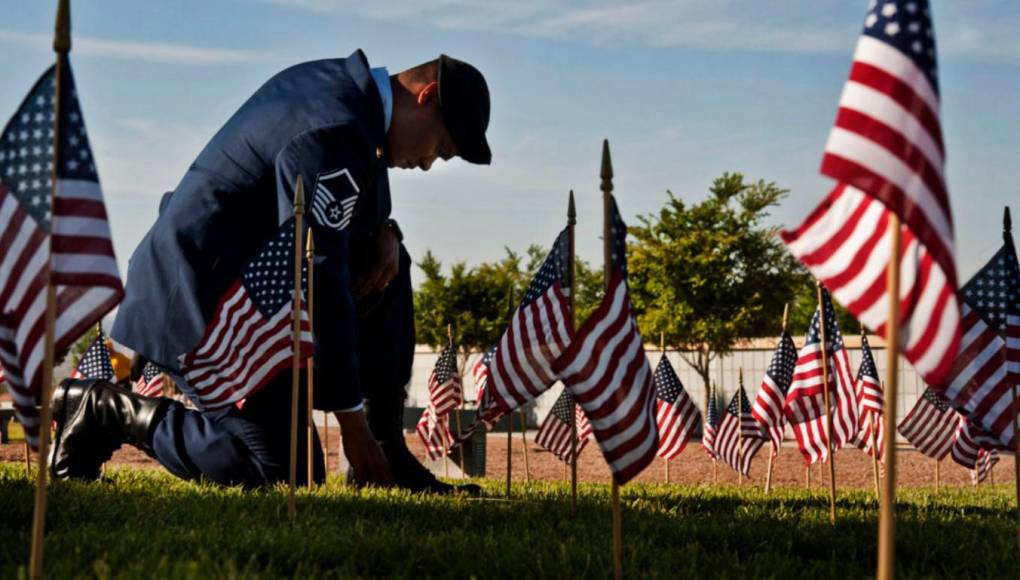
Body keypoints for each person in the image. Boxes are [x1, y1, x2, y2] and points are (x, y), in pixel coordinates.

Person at [48, 50, 491, 492]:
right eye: (441, 148)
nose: (430, 162)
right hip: (200, 299)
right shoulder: (337, 126)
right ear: (426, 97)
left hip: (255, 291)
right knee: (284, 473)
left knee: (388, 261)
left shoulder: (355, 105)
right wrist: (351, 423)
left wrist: (386, 232)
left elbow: (345, 225)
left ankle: (386, 450)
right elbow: (319, 272)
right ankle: (102, 409)